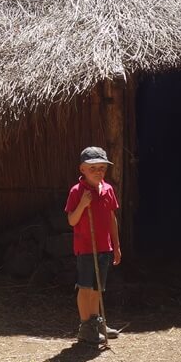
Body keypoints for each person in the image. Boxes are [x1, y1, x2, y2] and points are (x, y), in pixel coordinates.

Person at [65, 146, 123, 346]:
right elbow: (72, 221)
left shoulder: (107, 189)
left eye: (102, 168)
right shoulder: (76, 191)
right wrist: (82, 204)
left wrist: (116, 245)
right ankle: (85, 327)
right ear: (82, 169)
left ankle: (96, 321)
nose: (98, 172)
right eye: (93, 168)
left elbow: (111, 219)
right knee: (86, 288)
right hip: (86, 248)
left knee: (98, 287)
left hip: (104, 247)